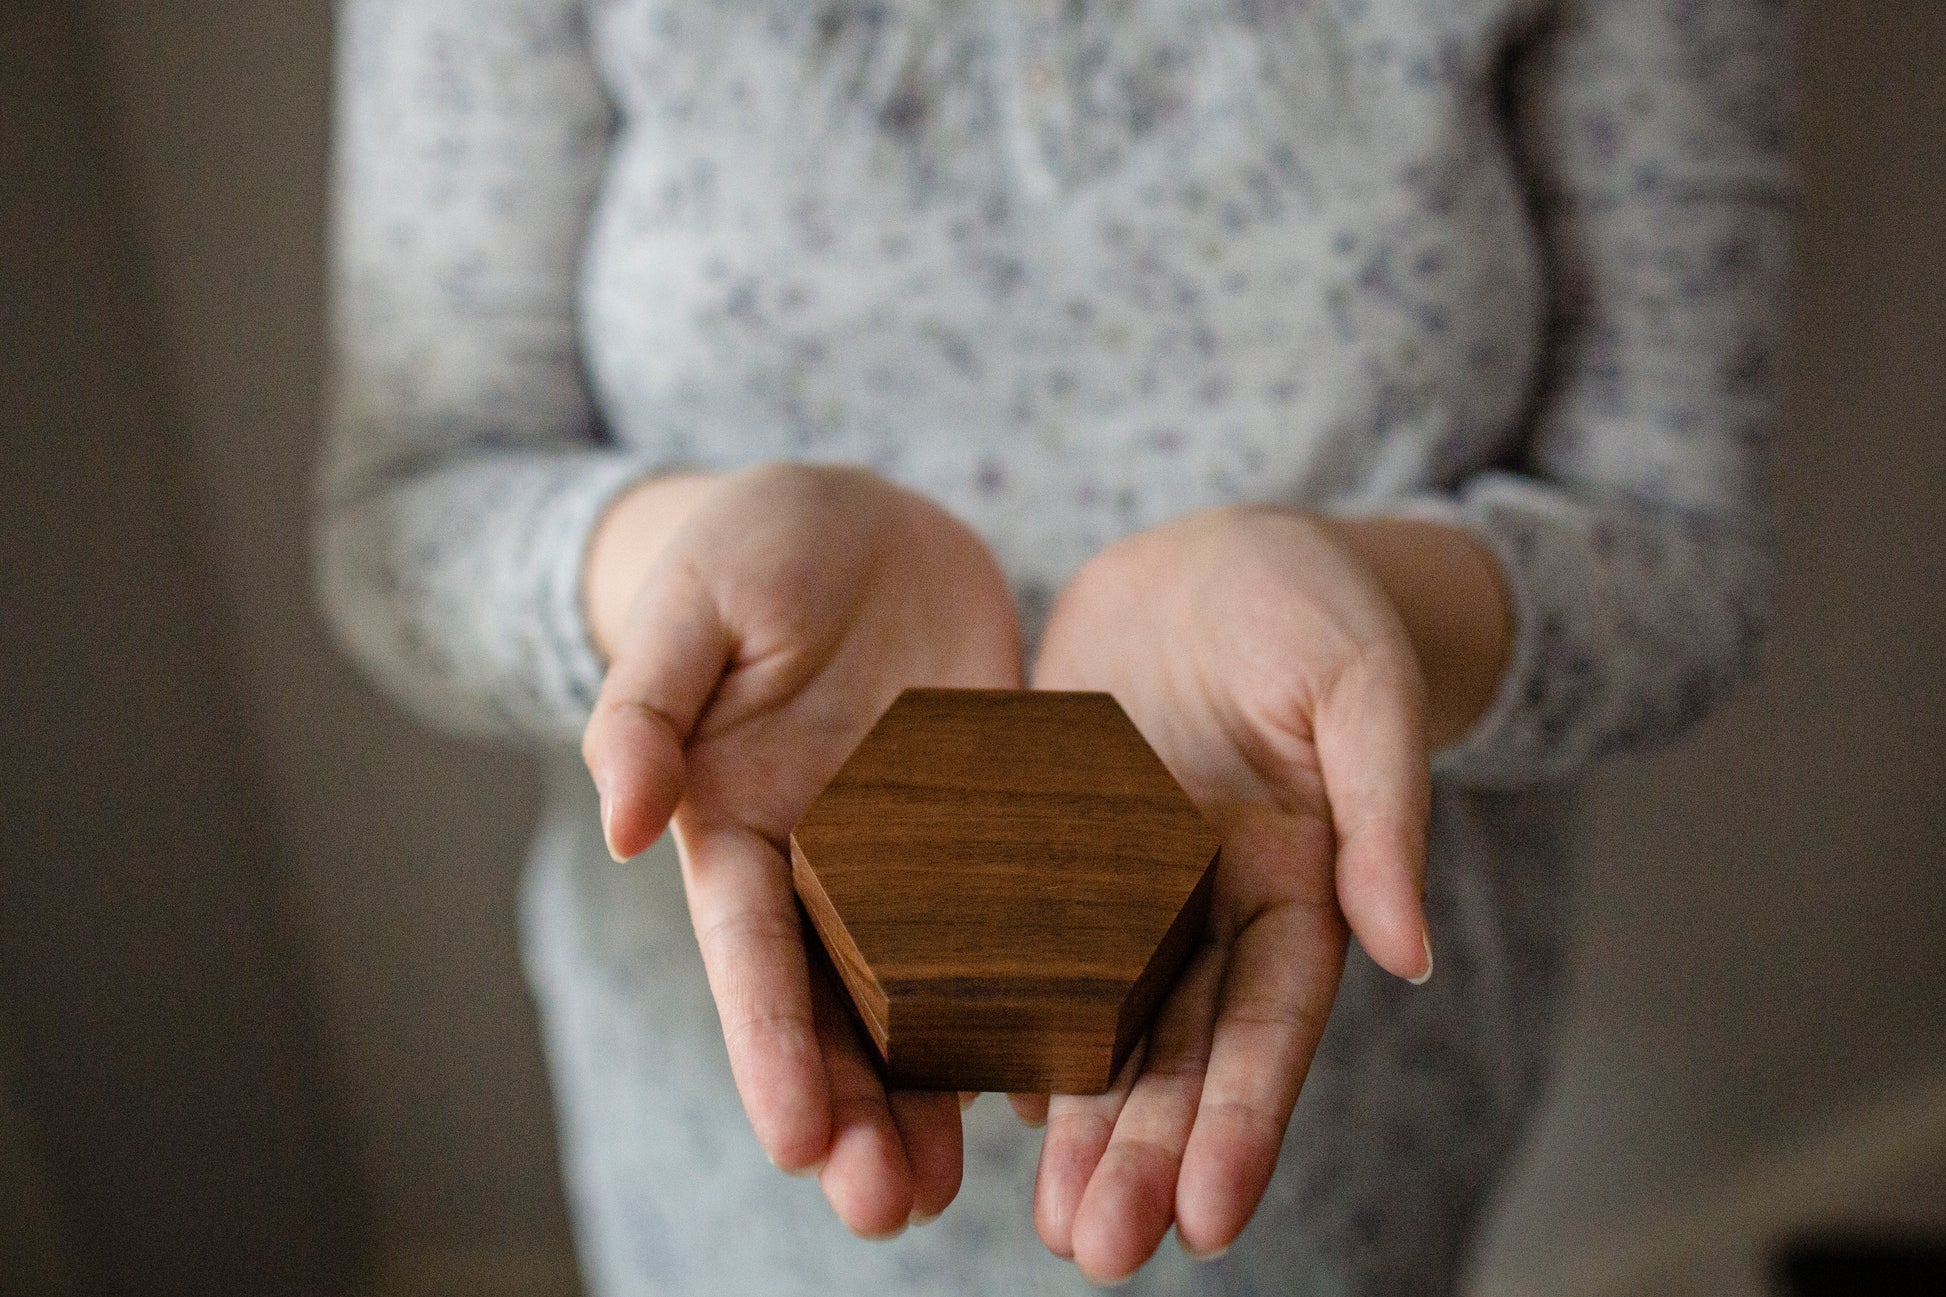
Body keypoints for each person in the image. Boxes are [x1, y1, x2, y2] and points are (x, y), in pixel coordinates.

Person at [314, 0, 1790, 1292]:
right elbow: (412, 507)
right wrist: (664, 573)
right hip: (726, 1110)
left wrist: (1364, 598)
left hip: (1333, 1112)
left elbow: (1677, 546)